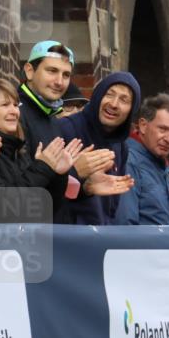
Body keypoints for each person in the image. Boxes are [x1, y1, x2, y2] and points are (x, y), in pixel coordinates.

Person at [0, 77, 82, 224]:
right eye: (5, 105)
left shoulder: (14, 147)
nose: (14, 111)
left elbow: (44, 210)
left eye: (15, 105)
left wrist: (57, 174)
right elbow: (0, 209)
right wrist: (42, 168)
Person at [59, 72, 140, 224]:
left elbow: (111, 208)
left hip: (101, 239)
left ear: (131, 110)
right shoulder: (66, 128)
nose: (114, 104)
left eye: (124, 100)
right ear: (97, 96)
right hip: (65, 236)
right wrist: (78, 178)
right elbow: (44, 191)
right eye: (109, 94)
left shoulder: (121, 146)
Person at [114, 94, 169, 226]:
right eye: (163, 129)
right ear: (143, 126)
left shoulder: (160, 162)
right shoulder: (128, 161)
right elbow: (124, 226)